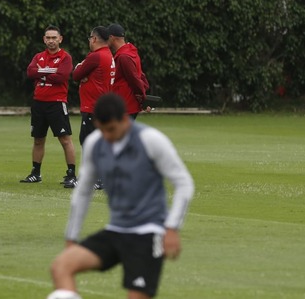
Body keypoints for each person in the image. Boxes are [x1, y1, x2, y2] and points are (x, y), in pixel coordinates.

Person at [48, 93, 194, 299]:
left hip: (148, 234)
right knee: (61, 266)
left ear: (125, 120)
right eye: (102, 129)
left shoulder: (150, 140)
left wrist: (172, 228)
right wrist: (71, 237)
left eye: (111, 130)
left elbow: (184, 183)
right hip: (116, 231)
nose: (107, 136)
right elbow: (82, 192)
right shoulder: (94, 144)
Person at [20, 26, 77, 188]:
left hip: (57, 103)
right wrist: (47, 72)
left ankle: (72, 174)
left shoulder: (65, 57)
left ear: (60, 39)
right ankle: (35, 173)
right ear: (44, 39)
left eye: (54, 38)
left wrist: (42, 72)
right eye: (48, 38)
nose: (51, 41)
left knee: (65, 139)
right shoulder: (38, 56)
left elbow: (61, 77)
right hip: (38, 103)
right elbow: (30, 73)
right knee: (38, 139)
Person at [72, 26, 115, 190]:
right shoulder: (108, 55)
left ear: (95, 39)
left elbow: (76, 75)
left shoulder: (95, 56)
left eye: (90, 38)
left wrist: (80, 70)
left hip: (93, 106)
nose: (89, 41)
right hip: (103, 105)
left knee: (88, 142)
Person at [107, 23, 150, 119]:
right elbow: (141, 76)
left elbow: (134, 79)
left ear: (112, 37)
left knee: (119, 134)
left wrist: (144, 99)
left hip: (124, 105)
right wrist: (144, 91)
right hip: (128, 104)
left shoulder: (123, 57)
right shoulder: (131, 52)